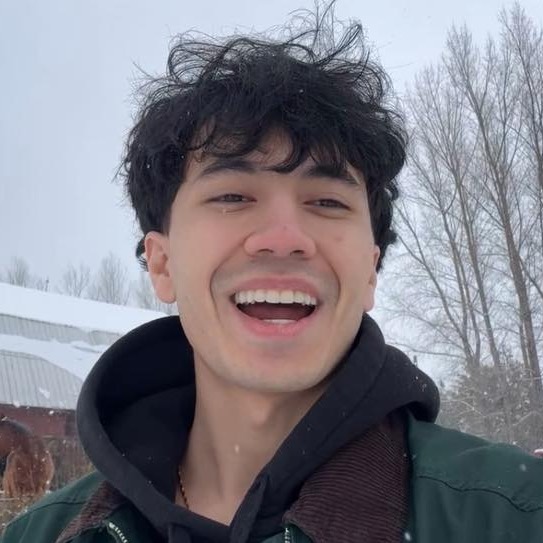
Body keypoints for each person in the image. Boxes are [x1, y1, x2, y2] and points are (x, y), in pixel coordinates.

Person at [3, 6, 543, 543]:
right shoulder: (39, 535)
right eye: (233, 196)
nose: (284, 238)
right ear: (162, 263)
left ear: (370, 270)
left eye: (327, 202)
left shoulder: (513, 516)